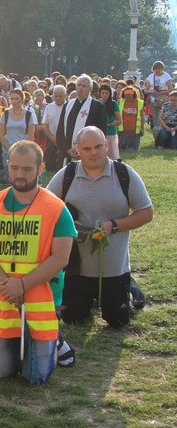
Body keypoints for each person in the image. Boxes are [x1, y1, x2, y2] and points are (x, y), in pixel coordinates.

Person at [0, 140, 76, 383]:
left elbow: (61, 257)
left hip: (40, 298)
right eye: (15, 167)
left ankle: (54, 340)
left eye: (27, 169)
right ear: (7, 166)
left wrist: (23, 284)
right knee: (0, 373)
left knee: (37, 377)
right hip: (1, 298)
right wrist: (7, 284)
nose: (20, 175)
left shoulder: (56, 208)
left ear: (40, 169)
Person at [47, 126, 153, 327]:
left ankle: (130, 289)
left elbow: (146, 213)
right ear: (77, 149)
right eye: (87, 148)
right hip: (76, 269)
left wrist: (113, 225)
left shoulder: (124, 173)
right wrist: (67, 225)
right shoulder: (66, 174)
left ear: (106, 145)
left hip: (114, 268)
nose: (93, 152)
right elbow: (44, 209)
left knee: (117, 320)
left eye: (98, 146)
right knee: (73, 318)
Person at [55, 74, 108, 161]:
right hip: (69, 153)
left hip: (89, 153)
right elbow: (60, 129)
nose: (80, 88)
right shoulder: (68, 105)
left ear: (90, 89)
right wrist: (67, 149)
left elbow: (101, 133)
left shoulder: (98, 107)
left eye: (84, 86)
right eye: (78, 85)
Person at [0, 89, 37, 183]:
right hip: (8, 147)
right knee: (9, 176)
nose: (14, 101)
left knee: (22, 173)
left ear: (22, 99)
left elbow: (31, 135)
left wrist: (23, 148)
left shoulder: (28, 114)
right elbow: (0, 134)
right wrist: (9, 148)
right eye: (12, 99)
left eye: (16, 98)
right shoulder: (5, 114)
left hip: (23, 148)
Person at [143, 60, 173, 134]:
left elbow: (171, 89)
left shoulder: (166, 76)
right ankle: (157, 134)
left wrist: (160, 93)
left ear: (162, 68)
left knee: (162, 117)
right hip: (153, 99)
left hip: (163, 98)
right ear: (153, 69)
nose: (157, 70)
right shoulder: (150, 76)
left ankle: (163, 133)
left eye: (159, 68)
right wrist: (151, 92)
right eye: (156, 68)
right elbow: (146, 90)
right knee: (155, 118)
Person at [117, 85, 145, 151]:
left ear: (134, 95)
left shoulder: (139, 103)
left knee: (133, 148)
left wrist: (142, 128)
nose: (128, 98)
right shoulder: (119, 102)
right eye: (126, 96)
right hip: (123, 129)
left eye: (130, 96)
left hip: (134, 129)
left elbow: (142, 116)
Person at [99, 84, 122, 159]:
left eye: (106, 93)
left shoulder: (113, 104)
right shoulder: (97, 103)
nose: (104, 95)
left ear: (110, 94)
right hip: (100, 132)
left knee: (113, 155)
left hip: (111, 133)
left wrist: (110, 124)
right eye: (103, 93)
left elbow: (119, 120)